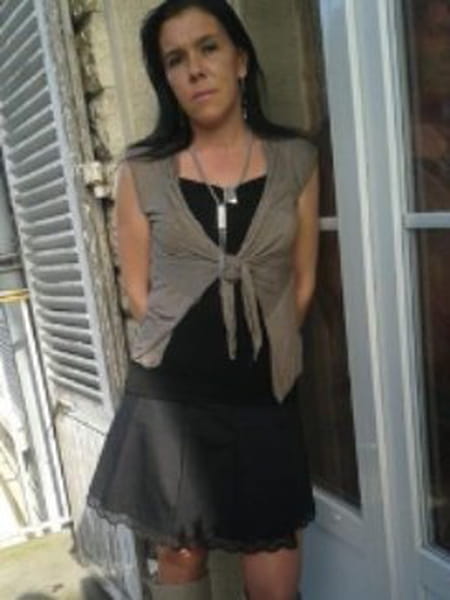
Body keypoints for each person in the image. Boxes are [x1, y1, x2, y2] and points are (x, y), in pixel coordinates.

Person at [87, 1, 319, 598]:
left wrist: (264, 357)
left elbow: (302, 281)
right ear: (166, 79)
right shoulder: (142, 170)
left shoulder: (296, 159)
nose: (194, 68)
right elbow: (138, 291)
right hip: (173, 402)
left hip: (263, 398)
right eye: (175, 59)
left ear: (240, 59)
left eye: (208, 47)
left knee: (274, 573)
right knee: (181, 560)